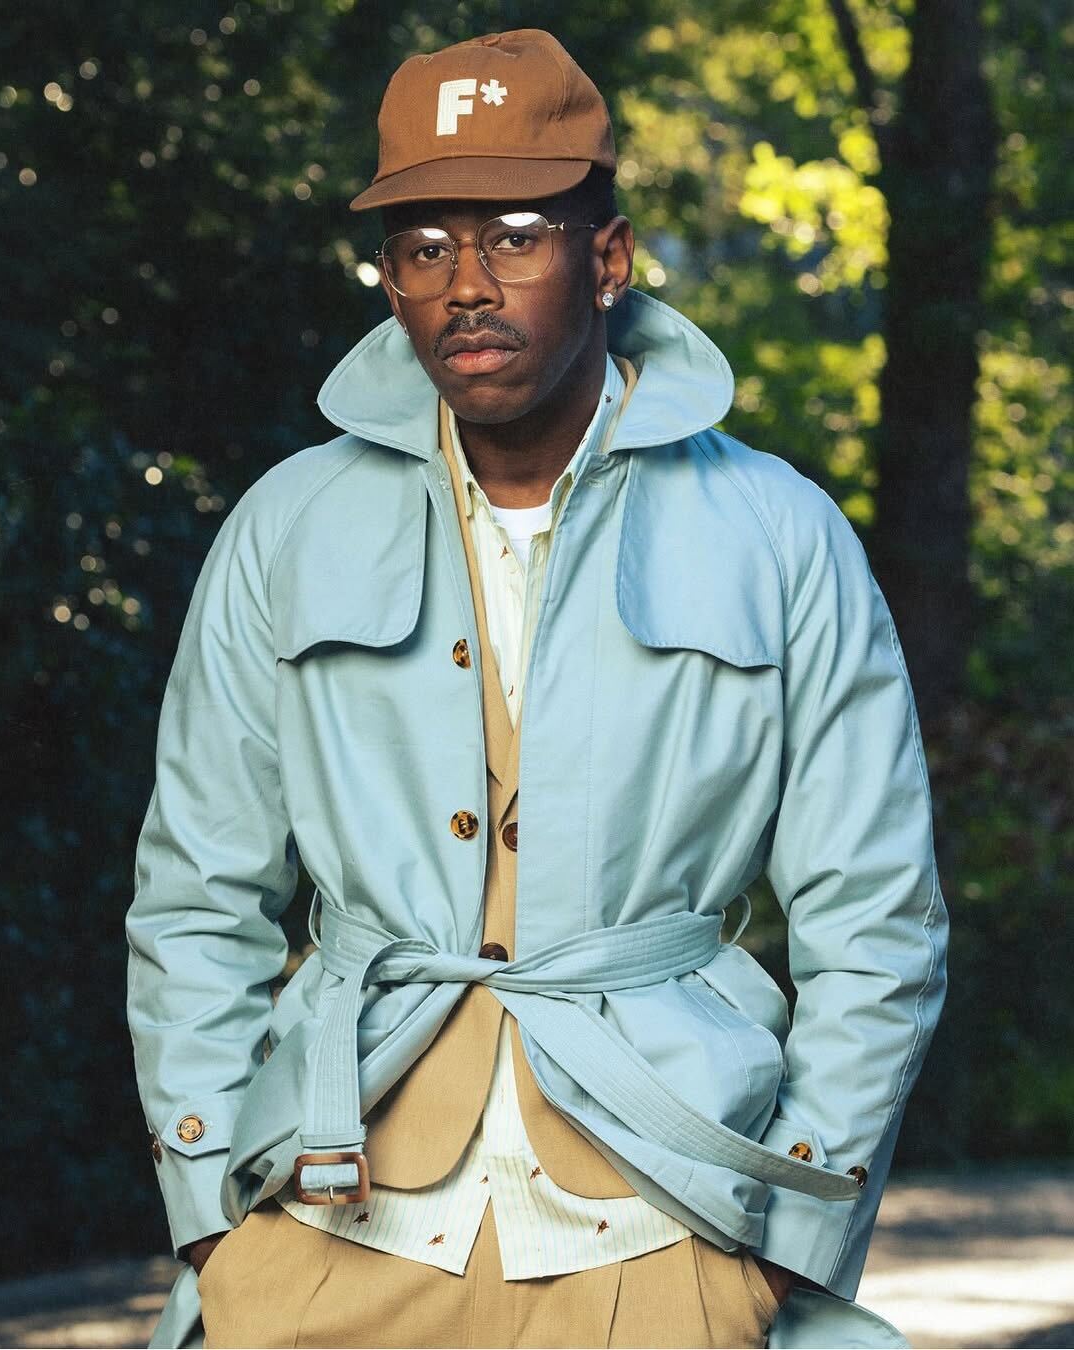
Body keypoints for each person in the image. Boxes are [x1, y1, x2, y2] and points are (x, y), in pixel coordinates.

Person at [127, 28, 948, 1350]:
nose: (466, 285)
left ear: (606, 260)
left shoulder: (778, 533)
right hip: (334, 1228)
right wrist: (211, 1211)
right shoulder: (287, 527)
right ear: (389, 280)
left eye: (515, 237)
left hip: (664, 1231)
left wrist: (789, 1241)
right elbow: (195, 895)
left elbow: (878, 916)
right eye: (423, 247)